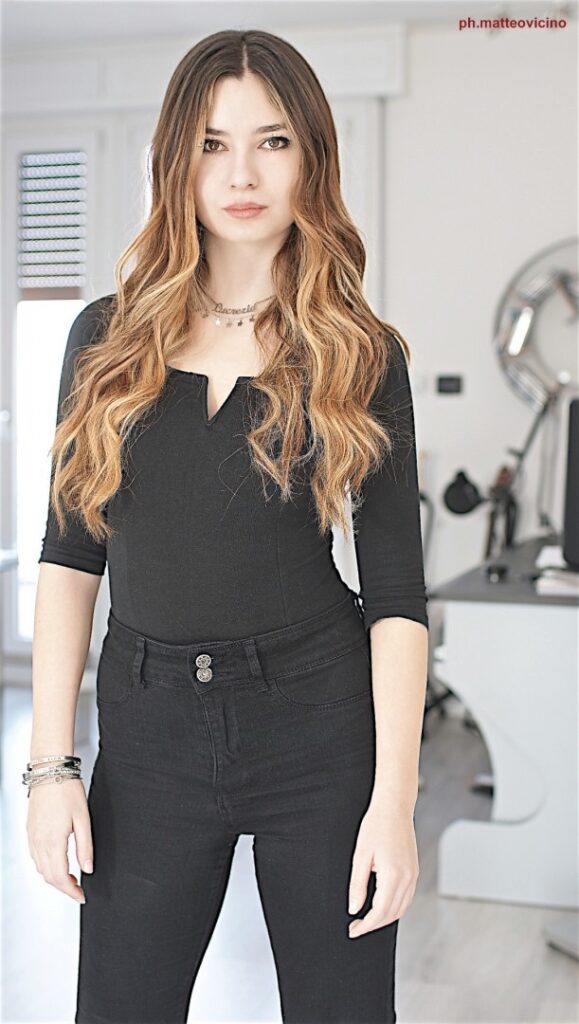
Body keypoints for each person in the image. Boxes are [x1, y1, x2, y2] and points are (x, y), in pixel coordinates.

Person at [26, 28, 429, 1024]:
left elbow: (396, 598)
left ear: (310, 157)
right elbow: (71, 557)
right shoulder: (104, 340)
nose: (241, 173)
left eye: (271, 141)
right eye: (212, 143)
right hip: (149, 729)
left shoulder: (360, 352)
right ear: (176, 159)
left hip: (318, 723)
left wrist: (393, 802)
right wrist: (50, 766)